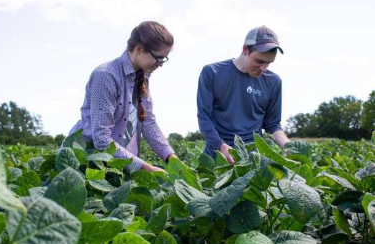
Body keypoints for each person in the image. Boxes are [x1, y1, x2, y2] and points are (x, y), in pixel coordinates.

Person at [68, 21, 176, 172]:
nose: (161, 64)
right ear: (139, 49)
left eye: (165, 58)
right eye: (158, 58)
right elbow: (101, 138)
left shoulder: (143, 78)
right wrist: (147, 168)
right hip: (88, 163)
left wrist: (171, 157)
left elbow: (148, 123)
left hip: (119, 166)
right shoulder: (106, 75)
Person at [197, 26, 291, 164]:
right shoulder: (212, 72)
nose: (263, 68)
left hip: (252, 162)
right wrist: (221, 146)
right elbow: (204, 117)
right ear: (245, 49)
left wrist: (289, 147)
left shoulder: (273, 81)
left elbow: (273, 124)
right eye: (259, 61)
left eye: (268, 63)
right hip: (217, 159)